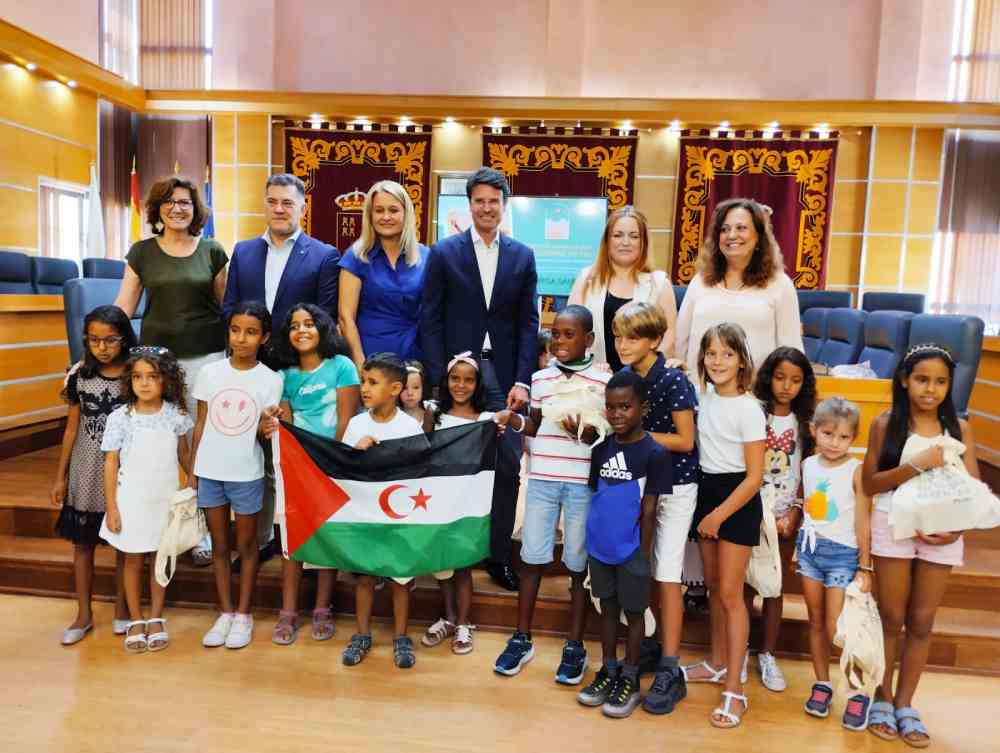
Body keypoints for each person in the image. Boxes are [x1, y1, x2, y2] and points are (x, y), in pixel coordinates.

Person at [421, 167, 539, 591]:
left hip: (504, 377)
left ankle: (498, 556)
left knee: (507, 467)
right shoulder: (444, 252)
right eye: (479, 201)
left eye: (494, 201)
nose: (487, 208)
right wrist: (439, 377)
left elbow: (529, 324)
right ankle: (452, 552)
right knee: (455, 466)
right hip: (458, 376)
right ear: (468, 205)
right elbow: (430, 319)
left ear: (504, 206)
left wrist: (523, 380)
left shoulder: (522, 256)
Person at [863, 344, 980, 747]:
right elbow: (870, 484)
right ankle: (881, 696)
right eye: (922, 380)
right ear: (904, 381)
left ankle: (906, 703)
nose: (931, 390)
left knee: (922, 620)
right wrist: (916, 464)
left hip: (941, 534)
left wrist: (955, 530)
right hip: (893, 527)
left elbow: (972, 493)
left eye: (941, 382)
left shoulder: (960, 430)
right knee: (891, 615)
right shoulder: (886, 423)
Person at [223, 173, 341, 565]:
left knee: (291, 454)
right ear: (265, 204)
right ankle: (257, 539)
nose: (279, 209)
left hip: (297, 367)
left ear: (303, 208)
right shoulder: (242, 252)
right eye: (272, 201)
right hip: (251, 365)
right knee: (250, 450)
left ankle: (297, 535)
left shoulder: (324, 255)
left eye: (287, 203)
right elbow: (230, 309)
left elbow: (323, 316)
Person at [113, 176, 228, 567]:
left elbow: (225, 307)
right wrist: (94, 355)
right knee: (162, 445)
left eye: (185, 202)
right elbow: (123, 310)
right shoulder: (142, 252)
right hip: (157, 362)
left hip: (207, 357)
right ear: (157, 209)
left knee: (202, 446)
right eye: (169, 202)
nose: (178, 208)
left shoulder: (212, 250)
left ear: (196, 210)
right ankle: (155, 523)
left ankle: (201, 529)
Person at [492, 305, 611, 683]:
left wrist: (585, 434)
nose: (560, 341)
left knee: (577, 565)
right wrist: (514, 421)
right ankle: (521, 637)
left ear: (589, 339)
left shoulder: (604, 380)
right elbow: (535, 427)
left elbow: (604, 437)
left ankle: (575, 644)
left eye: (569, 334)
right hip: (543, 478)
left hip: (580, 484)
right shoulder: (540, 379)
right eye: (556, 334)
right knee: (532, 559)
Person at [612, 301, 698, 715]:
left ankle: (670, 666)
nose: (622, 344)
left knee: (666, 574)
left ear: (655, 340)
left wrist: (639, 435)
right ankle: (645, 646)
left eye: (632, 337)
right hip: (636, 486)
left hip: (677, 486)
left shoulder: (674, 380)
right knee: (638, 567)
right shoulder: (623, 379)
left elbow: (685, 441)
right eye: (617, 336)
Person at [576, 370, 672, 718]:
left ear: (642, 407)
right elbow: (596, 498)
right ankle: (609, 669)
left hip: (632, 552)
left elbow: (649, 509)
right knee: (607, 610)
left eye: (625, 407)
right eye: (611, 408)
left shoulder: (655, 454)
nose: (617, 414)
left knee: (634, 616)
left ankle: (630, 677)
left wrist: (642, 557)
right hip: (600, 548)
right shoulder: (600, 450)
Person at [684, 323, 765, 729]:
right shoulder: (705, 397)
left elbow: (754, 477)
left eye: (727, 354)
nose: (718, 361)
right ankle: (717, 664)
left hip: (737, 499)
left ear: (741, 360)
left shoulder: (750, 408)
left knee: (733, 596)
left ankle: (736, 687)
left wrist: (718, 516)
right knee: (714, 589)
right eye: (711, 353)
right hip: (707, 491)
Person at [189, 302, 283, 651]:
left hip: (246, 472)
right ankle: (225, 612)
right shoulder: (210, 373)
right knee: (219, 545)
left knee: (246, 546)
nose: (241, 339)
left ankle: (244, 614)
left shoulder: (271, 380)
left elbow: (262, 432)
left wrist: (267, 427)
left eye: (251, 332)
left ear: (265, 337)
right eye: (235, 330)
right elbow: (201, 424)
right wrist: (193, 473)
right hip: (210, 471)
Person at [269, 303, 360, 646]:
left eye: (309, 324)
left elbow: (346, 421)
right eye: (295, 326)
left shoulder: (342, 367)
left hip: (332, 464)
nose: (302, 330)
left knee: (326, 537)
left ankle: (323, 607)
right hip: (297, 468)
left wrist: (331, 463)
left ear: (322, 329)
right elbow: (288, 427)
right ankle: (288, 611)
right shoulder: (284, 376)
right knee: (293, 540)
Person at [51, 305, 136, 645]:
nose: (102, 347)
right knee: (83, 544)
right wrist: (60, 476)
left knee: (123, 543)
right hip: (86, 468)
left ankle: (122, 608)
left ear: (124, 339)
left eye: (110, 340)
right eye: (94, 340)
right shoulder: (80, 376)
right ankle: (83, 614)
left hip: (124, 467)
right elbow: (71, 429)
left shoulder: (135, 375)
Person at [99, 347, 193, 652]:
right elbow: (111, 462)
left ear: (166, 380)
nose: (145, 383)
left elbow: (183, 453)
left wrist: (192, 483)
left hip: (164, 500)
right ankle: (136, 618)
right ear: (130, 381)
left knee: (160, 560)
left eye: (153, 377)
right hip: (132, 500)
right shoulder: (121, 418)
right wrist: (112, 507)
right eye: (138, 377)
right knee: (133, 559)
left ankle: (156, 616)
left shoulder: (176, 415)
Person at [340, 353, 424, 669]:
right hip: (365, 516)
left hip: (398, 519)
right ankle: (362, 634)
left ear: (395, 388)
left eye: (373, 382)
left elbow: (420, 472)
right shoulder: (357, 425)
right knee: (364, 579)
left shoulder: (409, 426)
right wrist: (357, 450)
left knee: (400, 580)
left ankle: (401, 636)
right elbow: (344, 468)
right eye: (363, 381)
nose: (364, 388)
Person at [745, 346, 817, 692]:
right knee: (744, 585)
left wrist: (796, 511)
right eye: (780, 378)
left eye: (795, 380)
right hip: (750, 509)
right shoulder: (755, 413)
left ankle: (767, 654)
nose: (786, 386)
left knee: (774, 589)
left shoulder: (806, 422)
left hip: (785, 515)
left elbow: (810, 470)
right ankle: (738, 650)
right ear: (768, 377)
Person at [799, 397, 873, 730]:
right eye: (828, 434)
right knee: (815, 621)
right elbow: (810, 508)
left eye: (844, 437)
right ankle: (822, 683)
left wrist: (865, 564)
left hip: (844, 556)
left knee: (838, 628)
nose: (834, 443)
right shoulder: (809, 464)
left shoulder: (856, 469)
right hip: (810, 553)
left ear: (854, 438)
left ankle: (857, 692)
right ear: (814, 430)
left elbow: (862, 519)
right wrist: (798, 548)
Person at [674, 198, 803, 376]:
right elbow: (680, 342)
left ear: (759, 236)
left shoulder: (780, 285)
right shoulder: (700, 281)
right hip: (698, 395)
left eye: (741, 228)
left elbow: (791, 351)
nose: (731, 235)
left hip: (754, 397)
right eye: (724, 229)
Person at [420, 352, 494, 655]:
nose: (460, 385)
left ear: (477, 384)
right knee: (442, 563)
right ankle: (448, 617)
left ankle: (465, 622)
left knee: (462, 564)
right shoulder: (433, 414)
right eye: (454, 378)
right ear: (445, 380)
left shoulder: (485, 419)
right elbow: (421, 452)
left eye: (468, 380)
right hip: (438, 496)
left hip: (468, 502)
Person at [567, 206, 677, 371]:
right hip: (592, 380)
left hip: (643, 384)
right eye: (618, 235)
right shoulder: (586, 279)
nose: (625, 242)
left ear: (643, 242)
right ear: (607, 241)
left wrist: (646, 374)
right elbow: (571, 333)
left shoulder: (659, 283)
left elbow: (669, 341)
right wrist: (591, 369)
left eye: (634, 236)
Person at [339, 180, 429, 369]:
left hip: (416, 358)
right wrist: (359, 363)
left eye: (394, 210)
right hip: (371, 358)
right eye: (379, 210)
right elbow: (345, 318)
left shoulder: (426, 256)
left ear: (406, 214)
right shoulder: (355, 256)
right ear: (370, 215)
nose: (386, 217)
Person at [401, 359, 429, 425]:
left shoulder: (432, 413)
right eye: (404, 388)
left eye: (416, 387)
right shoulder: (392, 418)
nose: (410, 393)